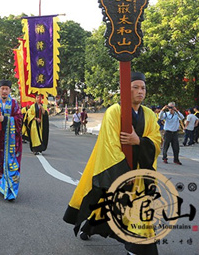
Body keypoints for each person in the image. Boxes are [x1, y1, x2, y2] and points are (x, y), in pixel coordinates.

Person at [63, 72, 161, 255]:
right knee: (107, 205)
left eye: (143, 88)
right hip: (118, 169)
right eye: (136, 87)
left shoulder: (150, 115)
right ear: (126, 90)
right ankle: (90, 227)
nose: (141, 92)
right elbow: (109, 145)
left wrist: (138, 141)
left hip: (140, 172)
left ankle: (136, 249)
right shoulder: (114, 111)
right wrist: (124, 174)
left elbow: (156, 140)